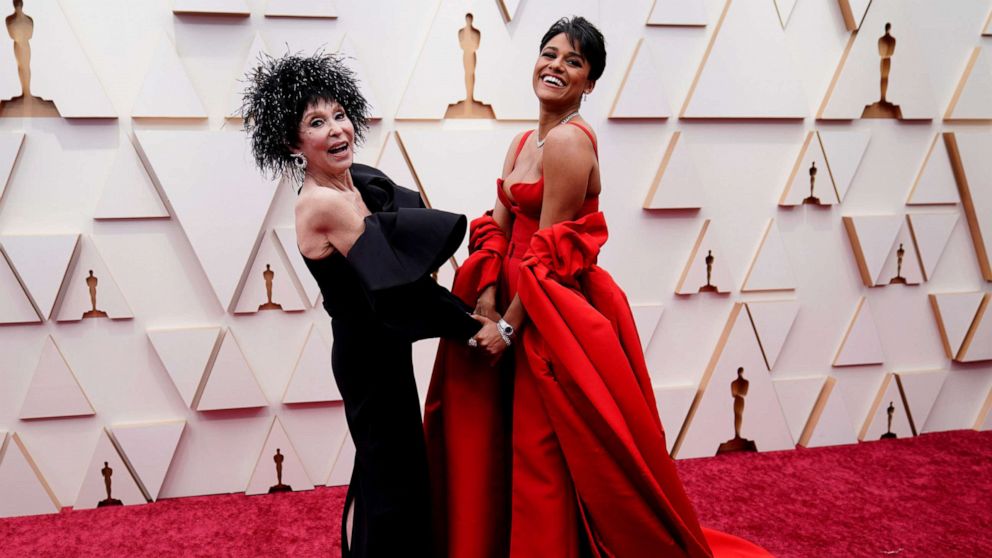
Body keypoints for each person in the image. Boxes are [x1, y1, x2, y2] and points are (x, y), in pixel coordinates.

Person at [426, 17, 773, 558]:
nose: (556, 66)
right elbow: (497, 227)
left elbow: (546, 258)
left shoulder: (568, 143)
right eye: (549, 53)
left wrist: (508, 331)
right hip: (511, 300)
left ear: (590, 83)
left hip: (549, 313)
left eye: (574, 61)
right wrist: (486, 300)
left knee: (545, 448)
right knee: (500, 439)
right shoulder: (523, 139)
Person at [241, 52, 491, 558]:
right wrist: (471, 326)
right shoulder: (324, 203)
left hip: (385, 344)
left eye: (338, 115)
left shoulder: (355, 182)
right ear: (294, 144)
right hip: (367, 356)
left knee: (382, 469)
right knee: (392, 478)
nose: (336, 130)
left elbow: (403, 250)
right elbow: (398, 286)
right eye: (316, 122)